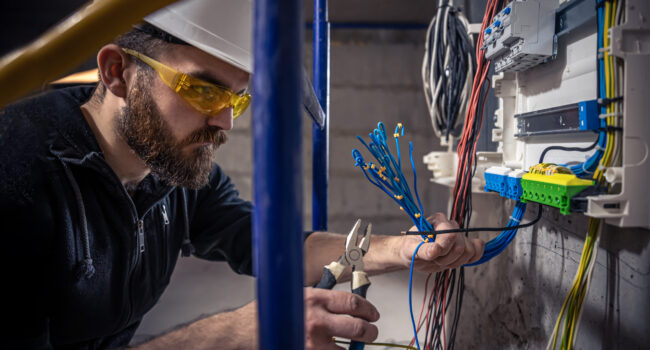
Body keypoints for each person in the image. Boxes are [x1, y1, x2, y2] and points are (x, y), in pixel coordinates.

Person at [0, 0, 484, 348]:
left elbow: (263, 241)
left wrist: (401, 249)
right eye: (205, 91)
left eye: (238, 98)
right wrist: (237, 332)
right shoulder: (18, 179)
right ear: (117, 72)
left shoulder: (174, 168)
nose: (226, 122)